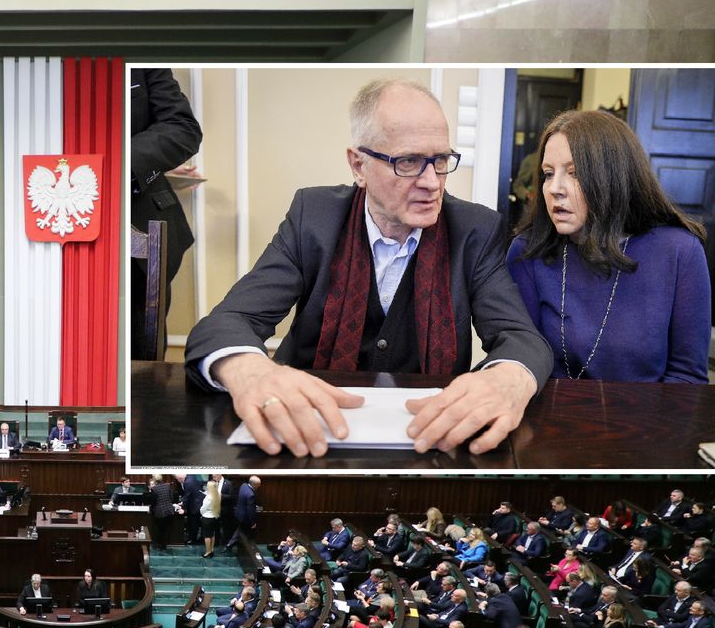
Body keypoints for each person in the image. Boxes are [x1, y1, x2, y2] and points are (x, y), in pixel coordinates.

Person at [184, 78, 551, 458]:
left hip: (431, 441)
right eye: (409, 162)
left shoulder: (475, 229)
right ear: (358, 164)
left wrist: (509, 379)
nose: (431, 183)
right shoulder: (313, 217)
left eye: (440, 161)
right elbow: (227, 322)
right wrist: (250, 371)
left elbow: (521, 337)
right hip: (304, 436)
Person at [507, 109, 709, 383]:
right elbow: (519, 364)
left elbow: (687, 378)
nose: (554, 188)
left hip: (644, 422)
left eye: (574, 173)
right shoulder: (525, 252)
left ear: (614, 177)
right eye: (548, 173)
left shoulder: (680, 251)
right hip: (553, 419)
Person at [131, 67, 202, 360]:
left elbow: (181, 127)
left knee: (142, 362)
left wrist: (122, 160)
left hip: (141, 248)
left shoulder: (145, 60)